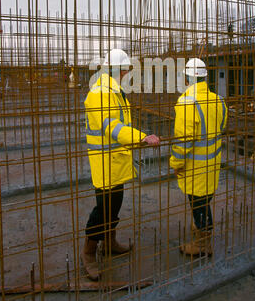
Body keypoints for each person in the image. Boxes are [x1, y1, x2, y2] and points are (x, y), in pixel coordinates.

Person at [82, 48, 160, 280]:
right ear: (122, 70)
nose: (127, 74)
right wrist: (141, 137)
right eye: (126, 70)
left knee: (114, 205)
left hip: (117, 160)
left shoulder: (115, 92)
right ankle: (88, 252)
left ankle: (110, 243)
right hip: (105, 162)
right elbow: (112, 127)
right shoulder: (99, 94)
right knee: (103, 209)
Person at [170, 58, 227, 257]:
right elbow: (221, 127)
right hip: (213, 163)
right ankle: (202, 232)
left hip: (195, 166)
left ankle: (203, 245)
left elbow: (183, 141)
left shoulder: (186, 102)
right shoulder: (218, 100)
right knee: (205, 200)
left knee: (198, 203)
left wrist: (176, 163)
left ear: (187, 78)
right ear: (204, 77)